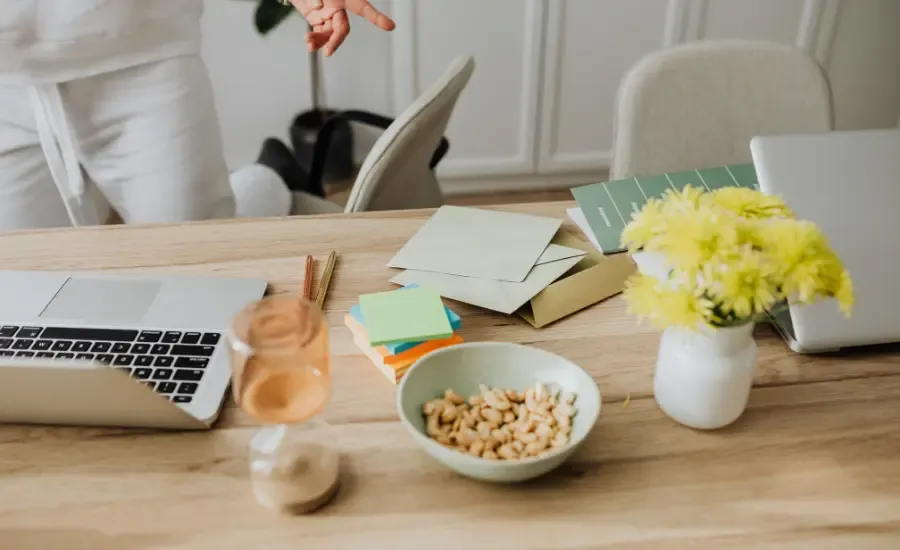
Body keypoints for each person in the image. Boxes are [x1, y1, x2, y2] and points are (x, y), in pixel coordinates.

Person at [0, 0, 395, 231]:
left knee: (200, 254)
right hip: (8, 80)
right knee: (23, 280)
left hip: (145, 60)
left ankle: (269, 179)